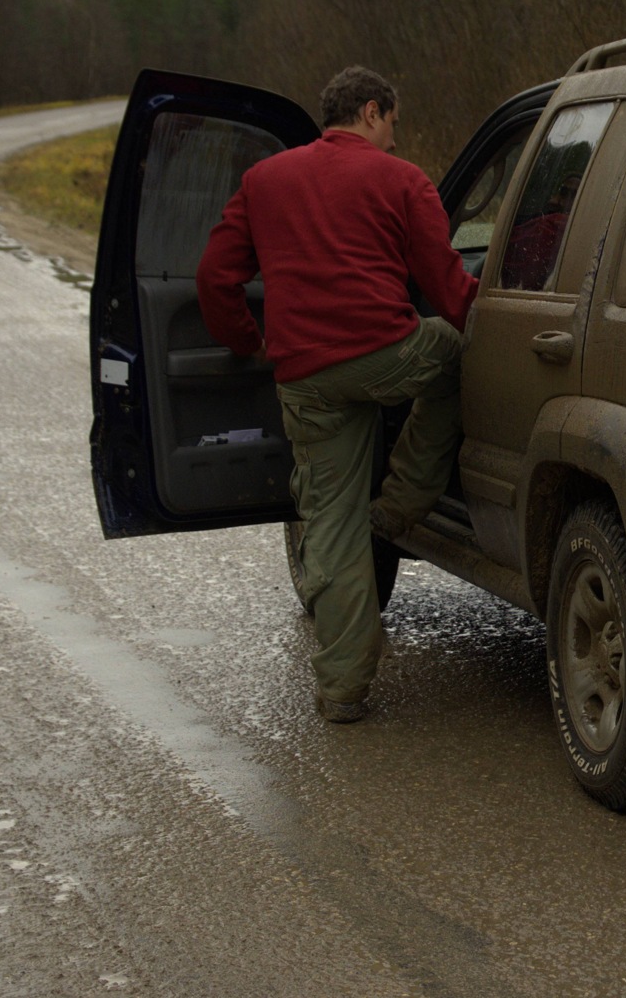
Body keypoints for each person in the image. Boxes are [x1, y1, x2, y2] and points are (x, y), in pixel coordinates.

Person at [196, 66, 477, 723]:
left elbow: (215, 276)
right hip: (387, 359)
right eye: (393, 125)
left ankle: (344, 690)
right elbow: (446, 283)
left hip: (306, 377)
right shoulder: (403, 180)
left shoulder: (265, 180)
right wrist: (487, 320)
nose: (395, 139)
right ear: (374, 111)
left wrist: (247, 340)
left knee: (331, 517)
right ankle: (406, 498)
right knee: (454, 353)